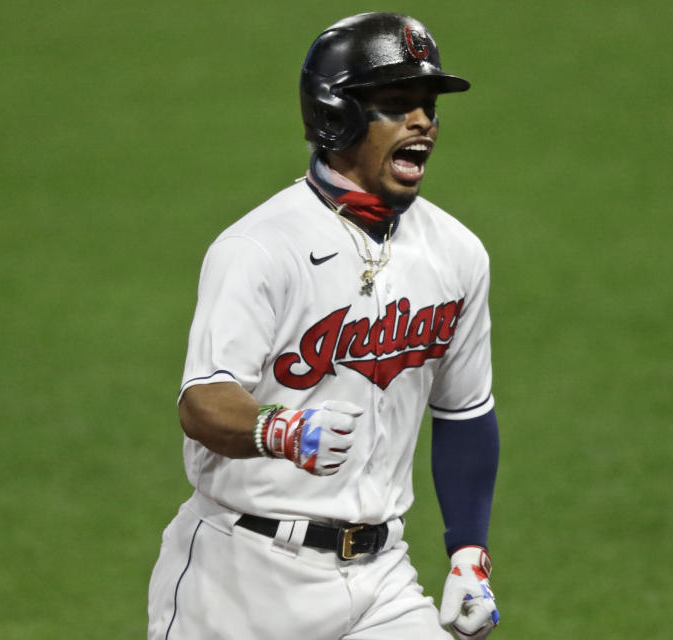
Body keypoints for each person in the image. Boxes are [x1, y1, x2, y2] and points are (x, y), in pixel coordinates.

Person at [148, 12, 501, 640]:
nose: (423, 122)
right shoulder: (258, 249)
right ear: (336, 115)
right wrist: (277, 430)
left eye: (428, 106)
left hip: (381, 581)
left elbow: (464, 413)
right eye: (397, 104)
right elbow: (203, 402)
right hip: (241, 579)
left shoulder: (457, 253)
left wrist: (468, 553)